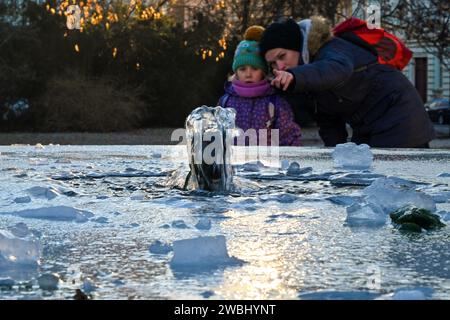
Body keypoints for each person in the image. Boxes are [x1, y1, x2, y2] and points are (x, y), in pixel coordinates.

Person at [259, 16, 436, 148]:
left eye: (282, 56)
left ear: (297, 47)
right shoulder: (312, 77)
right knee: (355, 176)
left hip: (400, 118)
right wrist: (335, 157)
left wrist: (296, 76)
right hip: (370, 126)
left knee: (389, 188)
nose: (280, 66)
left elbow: (337, 70)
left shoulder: (332, 48)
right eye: (273, 63)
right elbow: (328, 121)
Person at [218, 26, 302, 146]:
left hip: (266, 162)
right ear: (236, 72)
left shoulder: (274, 102)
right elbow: (217, 136)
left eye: (255, 69)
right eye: (242, 69)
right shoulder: (225, 101)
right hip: (234, 161)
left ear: (263, 71)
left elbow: (288, 136)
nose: (248, 74)